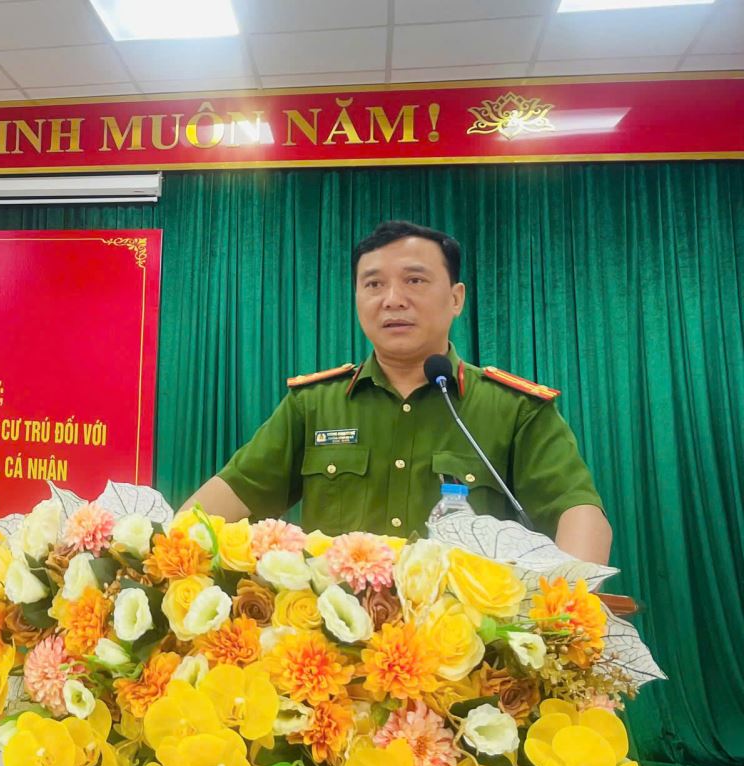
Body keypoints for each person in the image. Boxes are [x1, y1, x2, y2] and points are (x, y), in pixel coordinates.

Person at [183, 220, 612, 564]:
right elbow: (227, 498)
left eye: (415, 281)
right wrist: (173, 558)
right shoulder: (313, 405)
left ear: (456, 298)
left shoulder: (514, 409)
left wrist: (568, 611)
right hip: (335, 638)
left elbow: (578, 513)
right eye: (373, 285)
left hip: (466, 642)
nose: (392, 300)